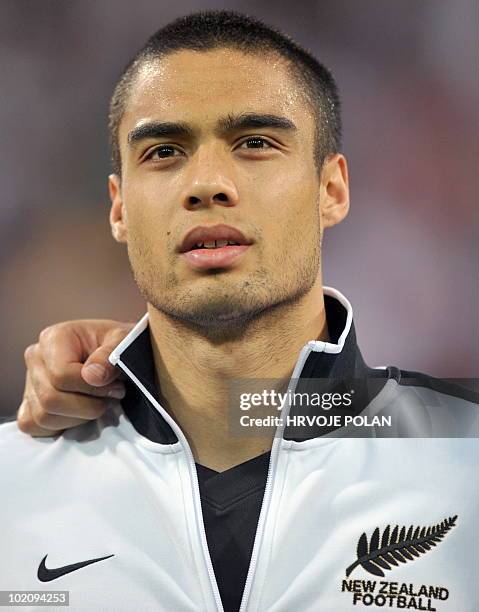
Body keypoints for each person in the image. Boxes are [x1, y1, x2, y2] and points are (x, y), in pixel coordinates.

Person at [3, 10, 479, 612]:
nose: (207, 183)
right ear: (119, 209)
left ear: (332, 190)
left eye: (255, 143)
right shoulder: (10, 487)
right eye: (164, 150)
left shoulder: (466, 458)